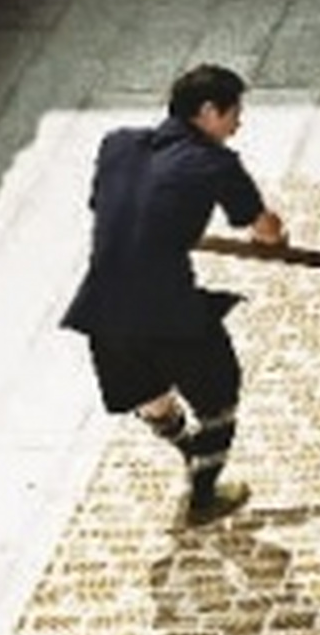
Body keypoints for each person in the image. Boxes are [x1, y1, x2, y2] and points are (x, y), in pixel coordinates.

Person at [62, 65, 287, 526]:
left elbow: (107, 204)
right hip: (167, 311)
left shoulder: (117, 144)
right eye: (233, 114)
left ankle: (188, 453)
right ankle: (205, 496)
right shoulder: (218, 164)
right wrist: (276, 234)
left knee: (151, 398)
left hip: (102, 309)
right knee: (219, 400)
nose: (237, 125)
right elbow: (261, 227)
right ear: (207, 112)